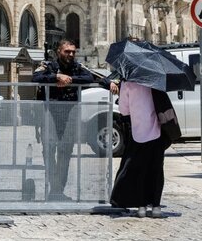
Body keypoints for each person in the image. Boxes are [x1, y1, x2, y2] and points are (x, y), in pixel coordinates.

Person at [32, 38, 95, 201]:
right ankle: (54, 187)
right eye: (67, 51)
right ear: (59, 51)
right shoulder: (49, 65)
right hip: (50, 110)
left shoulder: (77, 67)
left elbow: (89, 78)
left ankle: (58, 191)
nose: (71, 54)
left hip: (70, 111)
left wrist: (71, 80)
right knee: (49, 148)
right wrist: (56, 77)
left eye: (73, 52)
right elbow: (36, 77)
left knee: (65, 150)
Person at [109, 80, 169, 217]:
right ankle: (156, 207)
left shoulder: (127, 83)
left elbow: (123, 110)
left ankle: (141, 207)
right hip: (156, 132)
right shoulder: (155, 81)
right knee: (156, 170)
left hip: (138, 133)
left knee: (140, 170)